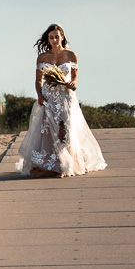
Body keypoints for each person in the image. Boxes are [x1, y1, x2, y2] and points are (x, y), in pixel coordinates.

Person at [15, 23, 107, 178]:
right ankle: (56, 164)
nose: (54, 39)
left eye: (56, 36)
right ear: (48, 39)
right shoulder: (42, 57)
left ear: (62, 37)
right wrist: (40, 96)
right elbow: (38, 80)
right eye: (51, 37)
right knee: (49, 130)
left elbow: (75, 75)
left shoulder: (71, 55)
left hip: (66, 96)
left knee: (66, 129)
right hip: (49, 97)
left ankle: (67, 164)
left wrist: (73, 83)